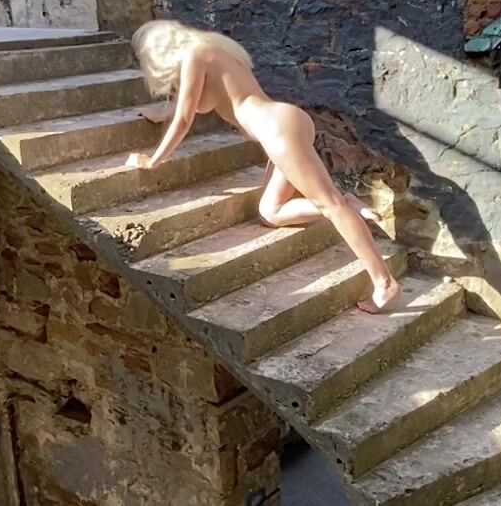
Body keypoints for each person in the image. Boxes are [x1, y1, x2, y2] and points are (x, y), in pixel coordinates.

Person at [127, 19, 403, 313]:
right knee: (271, 211)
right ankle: (349, 204)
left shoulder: (196, 55)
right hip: (285, 123)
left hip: (278, 131)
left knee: (331, 206)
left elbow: (184, 119)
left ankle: (384, 281)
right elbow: (187, 104)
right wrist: (162, 114)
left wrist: (153, 160)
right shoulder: (214, 49)